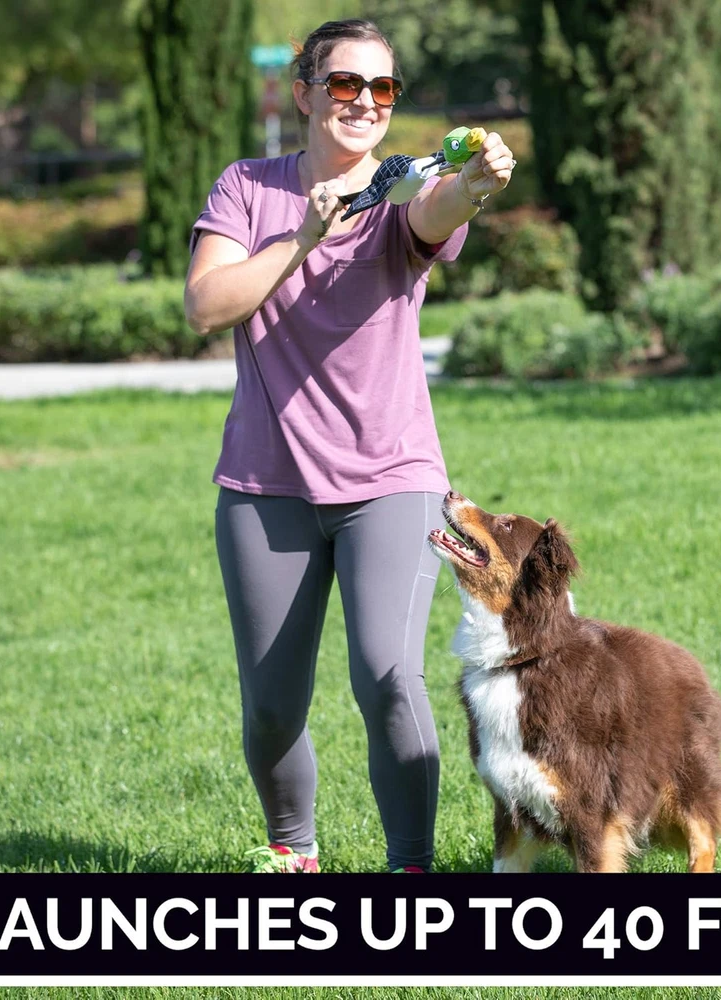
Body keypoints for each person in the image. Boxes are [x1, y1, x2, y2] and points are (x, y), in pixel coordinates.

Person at [183, 18, 515, 873]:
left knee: (387, 675)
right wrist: (303, 238)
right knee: (271, 706)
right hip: (266, 484)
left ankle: (412, 870)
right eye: (345, 84)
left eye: (383, 87)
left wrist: (474, 184)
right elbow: (206, 304)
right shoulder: (247, 188)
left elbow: (439, 209)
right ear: (304, 93)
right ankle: (293, 854)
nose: (365, 101)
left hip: (391, 477)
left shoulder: (406, 189)